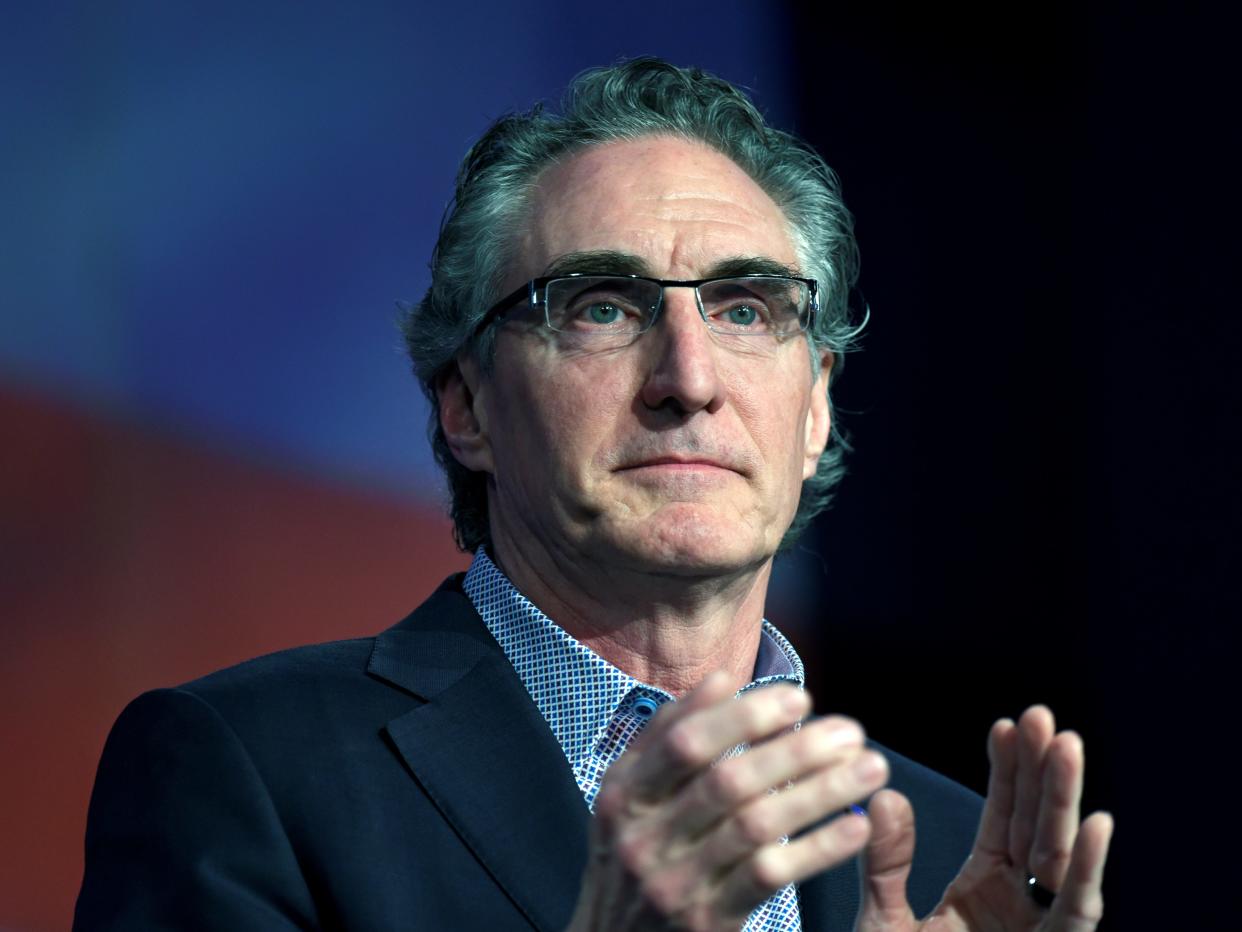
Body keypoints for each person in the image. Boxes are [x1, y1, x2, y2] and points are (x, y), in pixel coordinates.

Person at [75, 58, 1111, 931]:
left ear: (815, 410)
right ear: (467, 404)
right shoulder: (243, 769)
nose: (690, 377)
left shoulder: (946, 849)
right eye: (604, 306)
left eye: (747, 309)